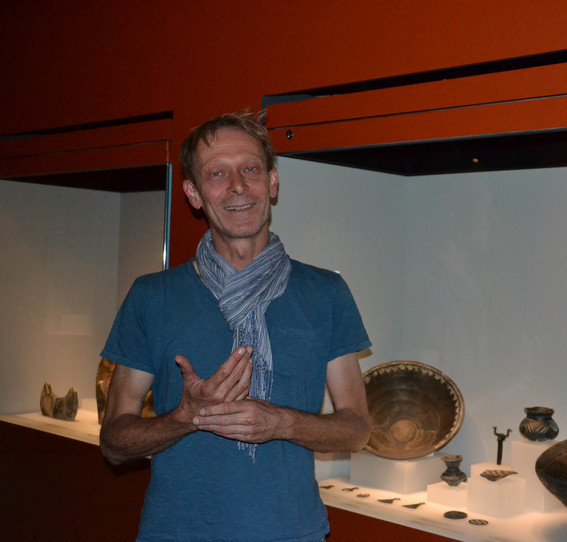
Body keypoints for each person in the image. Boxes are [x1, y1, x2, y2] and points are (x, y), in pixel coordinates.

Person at [100, 111, 372, 542]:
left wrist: (280, 423)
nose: (238, 187)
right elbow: (114, 443)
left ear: (273, 182)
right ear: (192, 193)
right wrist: (186, 418)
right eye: (217, 174)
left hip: (292, 533)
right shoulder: (152, 296)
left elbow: (357, 429)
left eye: (250, 169)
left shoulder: (325, 293)